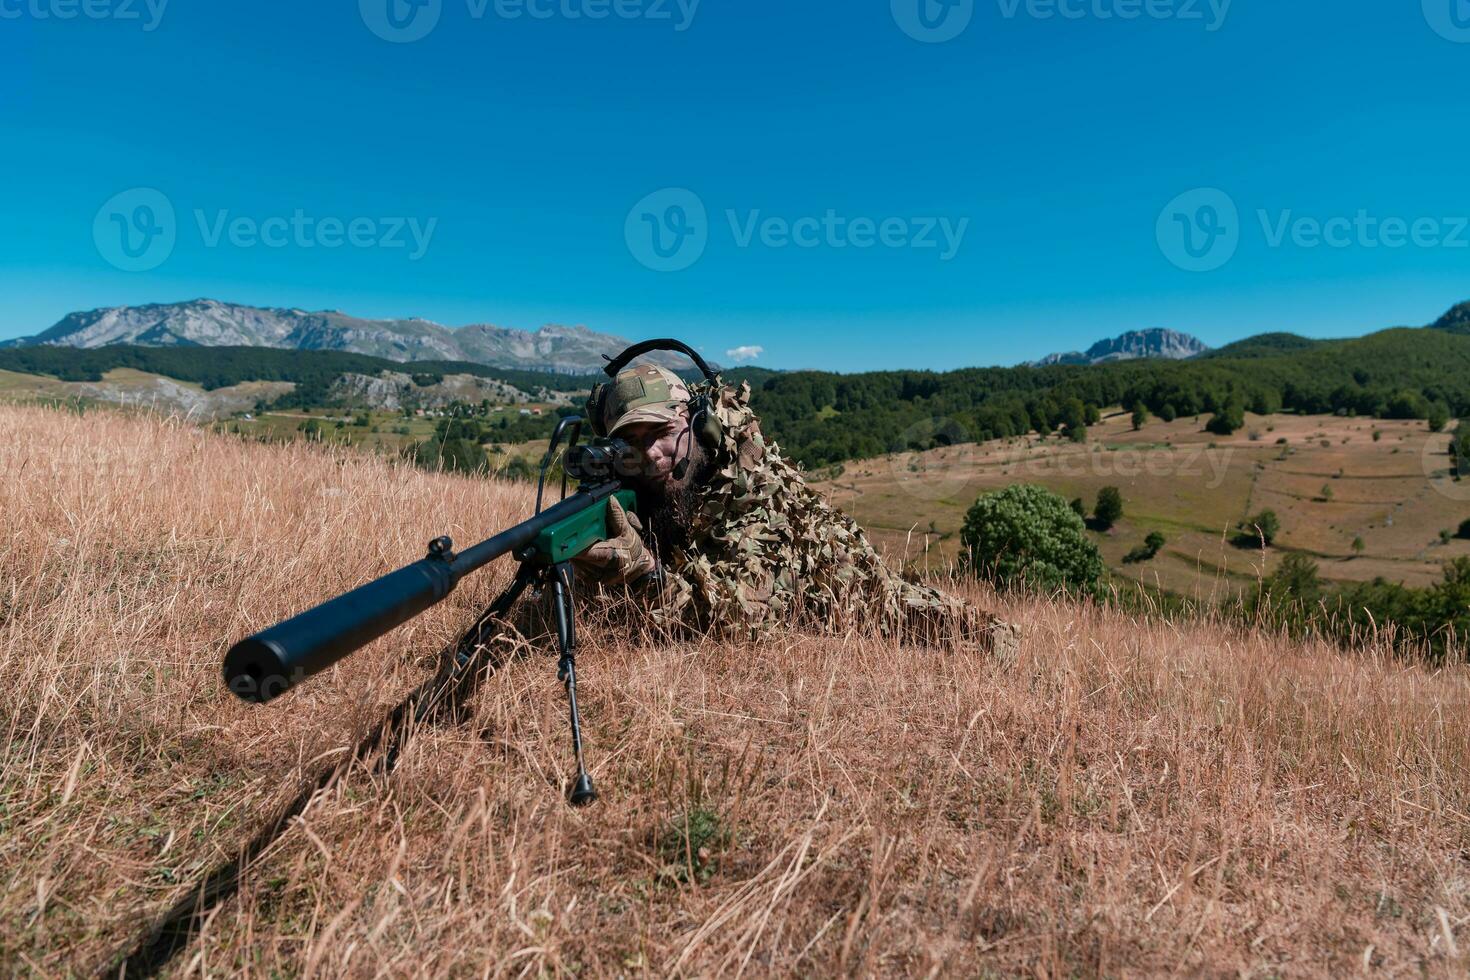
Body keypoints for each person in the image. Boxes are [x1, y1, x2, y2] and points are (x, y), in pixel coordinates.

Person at [572, 362, 1019, 655]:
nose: (650, 456)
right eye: (630, 442)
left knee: (973, 634)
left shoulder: (751, 490)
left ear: (699, 423)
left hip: (846, 588)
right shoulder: (647, 483)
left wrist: (645, 575)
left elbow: (737, 621)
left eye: (661, 432)